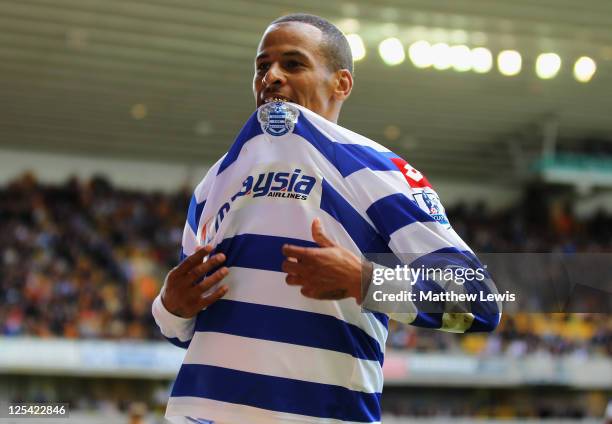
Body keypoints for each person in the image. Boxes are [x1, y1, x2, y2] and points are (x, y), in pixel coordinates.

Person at [152, 13, 500, 424]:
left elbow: (479, 301)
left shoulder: (379, 172)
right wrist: (170, 307)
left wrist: (365, 281)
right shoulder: (213, 183)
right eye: (262, 67)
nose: (271, 77)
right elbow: (183, 331)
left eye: (292, 64)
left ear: (342, 83)